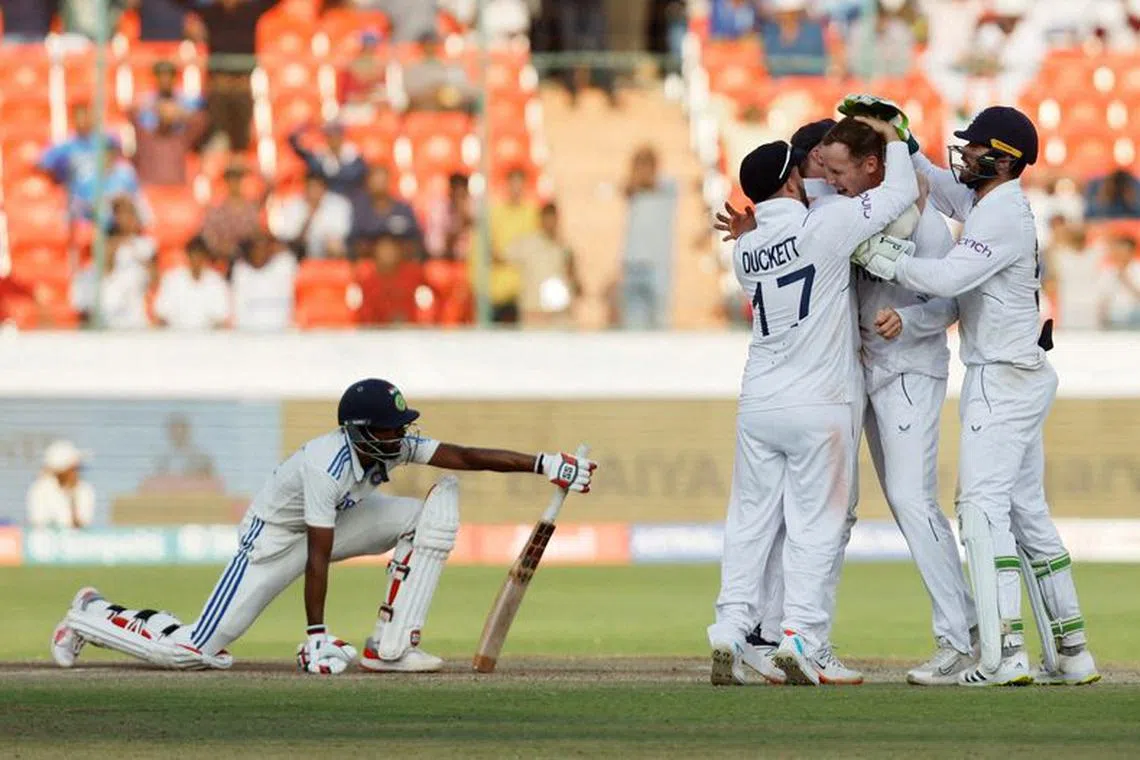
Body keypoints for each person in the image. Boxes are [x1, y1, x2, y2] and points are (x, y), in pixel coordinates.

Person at [49, 379, 597, 672]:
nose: (399, 437)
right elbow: (317, 555)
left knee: (427, 514)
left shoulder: (390, 442)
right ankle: (91, 613)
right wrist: (314, 635)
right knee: (194, 651)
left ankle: (391, 648)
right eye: (388, 429)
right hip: (271, 544)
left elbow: (463, 454)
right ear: (360, 431)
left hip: (336, 522)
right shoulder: (325, 465)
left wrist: (543, 463)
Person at [846, 97, 1101, 686]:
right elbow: (935, 184)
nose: (967, 154)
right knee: (1025, 512)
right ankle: (1072, 651)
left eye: (978, 148)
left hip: (1001, 377)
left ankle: (1002, 655)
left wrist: (879, 255)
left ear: (1004, 160)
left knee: (981, 510)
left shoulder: (1002, 216)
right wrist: (902, 139)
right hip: (1018, 372)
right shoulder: (992, 202)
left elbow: (949, 278)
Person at [706, 116, 918, 687]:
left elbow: (766, 237)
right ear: (795, 182)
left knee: (749, 521)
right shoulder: (827, 226)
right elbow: (898, 194)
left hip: (758, 403)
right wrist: (893, 138)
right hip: (818, 401)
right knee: (817, 525)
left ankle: (730, 627)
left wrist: (755, 225)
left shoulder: (743, 249)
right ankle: (799, 636)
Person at [818, 117, 978, 685]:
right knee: (861, 503)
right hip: (858, 373)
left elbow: (951, 303)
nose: (831, 181)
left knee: (913, 502)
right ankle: (799, 636)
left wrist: (906, 321)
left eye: (839, 172)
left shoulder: (927, 224)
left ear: (872, 167)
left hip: (910, 369)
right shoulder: (846, 211)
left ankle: (960, 640)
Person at [153, 237, 231, 330]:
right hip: (175, 336)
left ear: (206, 257)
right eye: (193, 255)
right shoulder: (172, 279)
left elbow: (222, 317)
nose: (196, 260)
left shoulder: (217, 282)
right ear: (187, 256)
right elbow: (161, 313)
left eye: (200, 256)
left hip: (209, 338)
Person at [272, 173, 354, 259]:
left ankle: (333, 270)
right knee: (281, 249)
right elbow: (289, 236)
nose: (314, 191)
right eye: (311, 187)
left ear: (325, 188)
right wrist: (309, 217)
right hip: (298, 249)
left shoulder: (339, 204)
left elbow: (339, 234)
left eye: (318, 187)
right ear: (305, 188)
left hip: (326, 249)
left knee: (335, 245)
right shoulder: (292, 204)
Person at [231, 233, 298, 331]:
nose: (260, 252)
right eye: (256, 248)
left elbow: (292, 250)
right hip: (246, 334)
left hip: (282, 335)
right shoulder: (241, 271)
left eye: (265, 247)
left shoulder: (285, 266)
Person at [26, 440, 95, 530]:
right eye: (72, 467)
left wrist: (72, 498)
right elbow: (39, 522)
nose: (76, 471)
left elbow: (82, 525)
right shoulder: (40, 489)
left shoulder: (83, 489)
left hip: (75, 542)